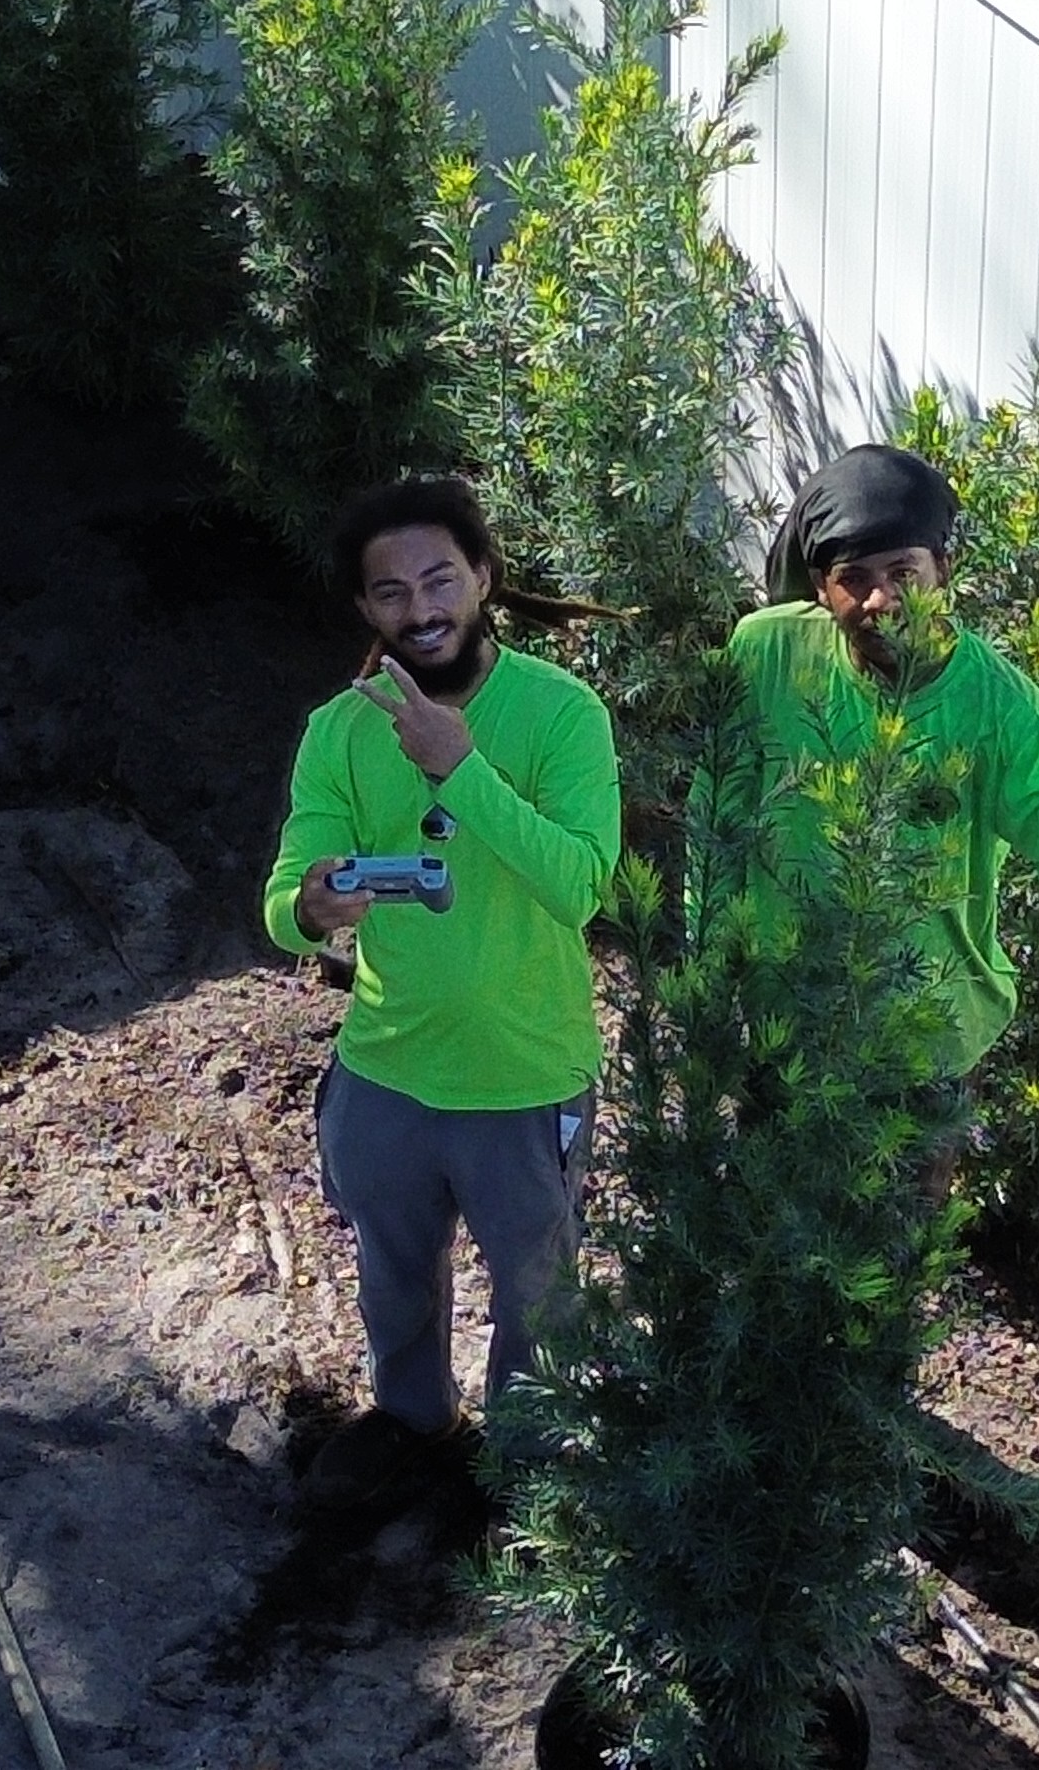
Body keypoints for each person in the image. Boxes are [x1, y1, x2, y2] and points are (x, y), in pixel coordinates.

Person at [261, 476, 623, 1513]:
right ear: (365, 610)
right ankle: (414, 1416)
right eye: (389, 593)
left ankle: (525, 1449)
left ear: (484, 578)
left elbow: (576, 884)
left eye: (438, 578)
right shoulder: (340, 728)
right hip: (388, 1067)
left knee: (537, 1291)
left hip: (522, 1073)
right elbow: (290, 884)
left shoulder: (560, 714)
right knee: (391, 1268)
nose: (419, 610)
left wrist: (459, 769)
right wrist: (312, 910)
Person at [724, 443, 1039, 1159]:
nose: (881, 600)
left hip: (919, 1055)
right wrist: (708, 978)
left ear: (944, 573)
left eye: (903, 571)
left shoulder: (1002, 714)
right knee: (765, 1260)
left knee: (889, 1264)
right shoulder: (767, 655)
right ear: (822, 588)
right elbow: (716, 817)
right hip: (782, 1033)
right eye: (855, 579)